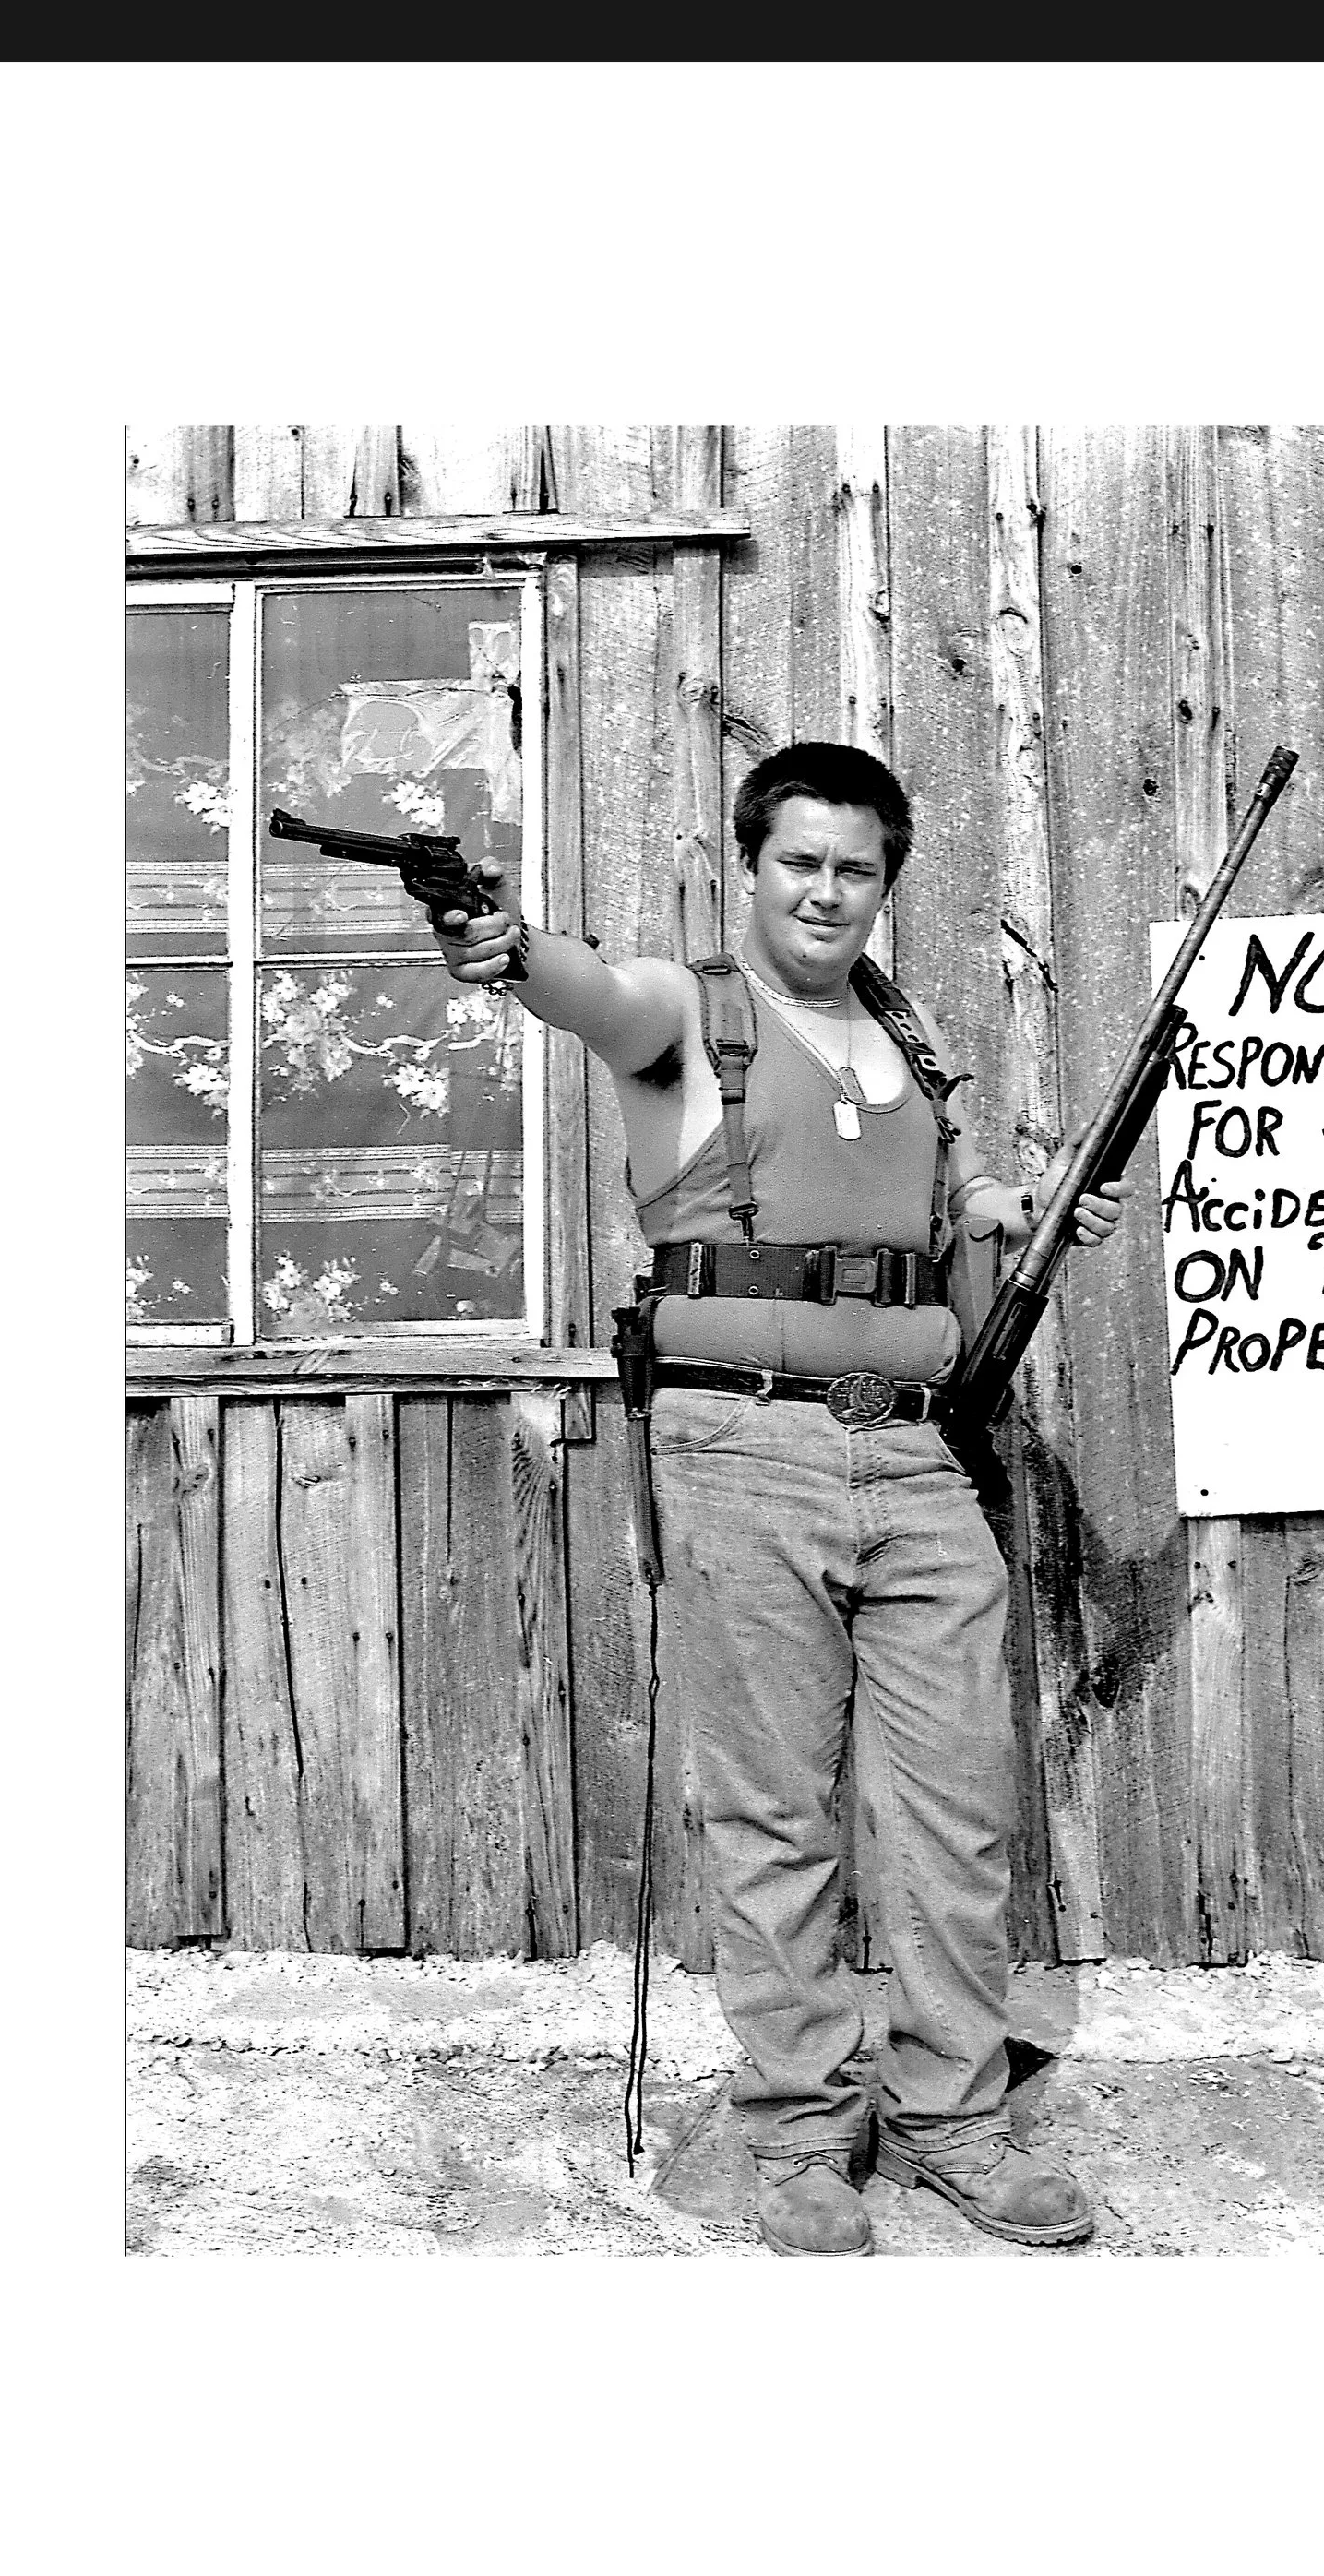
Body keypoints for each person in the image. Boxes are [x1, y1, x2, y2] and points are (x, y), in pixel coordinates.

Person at [431, 742, 1124, 2257]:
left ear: (887, 883)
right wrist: (505, 946)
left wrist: (1006, 1213)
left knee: (957, 1809)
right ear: (751, 866)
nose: (826, 889)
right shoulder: (689, 1015)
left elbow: (931, 1232)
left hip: (921, 1450)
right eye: (799, 860)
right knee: (773, 1811)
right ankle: (803, 2130)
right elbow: (582, 991)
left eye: (856, 868)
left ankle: (952, 2116)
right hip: (742, 1447)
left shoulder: (910, 1035)